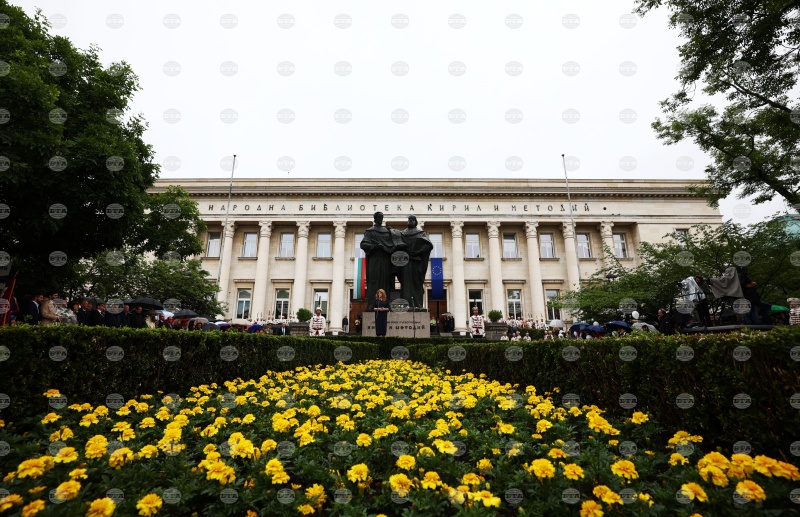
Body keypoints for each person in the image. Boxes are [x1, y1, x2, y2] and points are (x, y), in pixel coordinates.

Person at [360, 212, 404, 310]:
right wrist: (374, 246)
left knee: (386, 282)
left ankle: (385, 304)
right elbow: (363, 244)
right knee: (374, 282)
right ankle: (372, 305)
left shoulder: (387, 231)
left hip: (386, 261)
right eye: (379, 217)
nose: (380, 219)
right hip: (375, 261)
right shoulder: (370, 231)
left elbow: (394, 243)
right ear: (375, 218)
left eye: (381, 217)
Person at [399, 215, 433, 309]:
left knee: (417, 282)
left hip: (417, 262)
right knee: (405, 283)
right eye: (409, 219)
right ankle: (405, 304)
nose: (410, 221)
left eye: (413, 220)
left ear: (416, 222)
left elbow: (428, 245)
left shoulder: (421, 233)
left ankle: (418, 304)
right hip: (405, 262)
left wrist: (418, 251)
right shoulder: (402, 233)